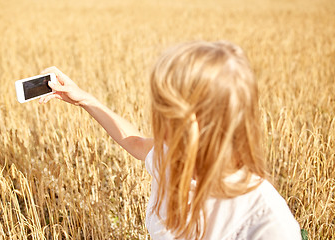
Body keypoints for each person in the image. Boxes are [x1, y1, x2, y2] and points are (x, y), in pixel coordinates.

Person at [39, 41, 302, 239]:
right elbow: (137, 143)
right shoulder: (174, 157)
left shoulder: (268, 223)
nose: (157, 118)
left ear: (193, 123)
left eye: (164, 108)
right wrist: (84, 99)